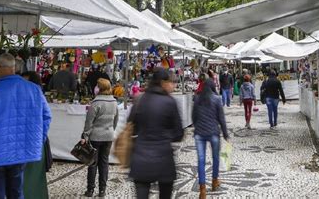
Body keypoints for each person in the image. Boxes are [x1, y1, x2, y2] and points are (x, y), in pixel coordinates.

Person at [0, 53, 51, 198]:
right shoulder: (34, 90)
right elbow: (46, 117)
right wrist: (38, 140)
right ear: (14, 68)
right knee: (16, 192)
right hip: (21, 153)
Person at [129, 68, 184, 199]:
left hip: (141, 158)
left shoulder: (139, 99)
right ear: (163, 83)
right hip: (163, 159)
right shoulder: (170, 102)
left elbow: (132, 127)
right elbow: (178, 134)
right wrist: (165, 135)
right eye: (170, 82)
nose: (172, 85)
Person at [80, 78, 119, 197]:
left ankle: (90, 190)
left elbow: (89, 122)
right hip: (108, 136)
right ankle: (102, 190)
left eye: (97, 85)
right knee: (104, 162)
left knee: (92, 163)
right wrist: (110, 130)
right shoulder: (114, 102)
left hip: (95, 137)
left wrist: (85, 136)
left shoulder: (95, 103)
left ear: (99, 88)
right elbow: (115, 120)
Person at [192, 79, 229, 199]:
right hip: (213, 132)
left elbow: (193, 116)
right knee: (215, 158)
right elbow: (221, 118)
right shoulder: (217, 99)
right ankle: (214, 181)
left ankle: (202, 190)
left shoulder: (197, 98)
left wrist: (198, 126)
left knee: (201, 161)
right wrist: (225, 133)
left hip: (199, 133)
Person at [21, 71, 51, 199]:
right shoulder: (27, 95)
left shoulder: (35, 95)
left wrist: (40, 137)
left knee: (31, 179)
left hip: (34, 142)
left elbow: (47, 117)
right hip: (31, 142)